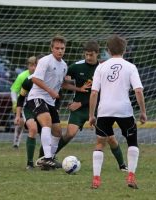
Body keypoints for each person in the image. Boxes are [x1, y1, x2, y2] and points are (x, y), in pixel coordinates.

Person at [38, 40, 127, 172]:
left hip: (98, 109)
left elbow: (102, 91)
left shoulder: (103, 67)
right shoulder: (76, 67)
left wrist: (81, 102)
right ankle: (46, 158)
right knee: (69, 134)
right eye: (86, 54)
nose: (88, 57)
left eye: (91, 55)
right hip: (78, 110)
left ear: (97, 54)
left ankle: (122, 165)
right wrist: (78, 89)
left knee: (110, 138)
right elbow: (64, 84)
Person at [89, 35, 147, 189]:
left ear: (107, 50)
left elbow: (94, 93)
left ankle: (96, 179)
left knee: (100, 143)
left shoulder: (100, 67)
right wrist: (142, 112)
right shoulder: (130, 67)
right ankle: (131, 177)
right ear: (125, 50)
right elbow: (139, 91)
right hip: (124, 110)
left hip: (104, 110)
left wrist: (91, 115)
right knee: (132, 142)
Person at [26, 35, 69, 170]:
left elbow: (63, 84)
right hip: (37, 96)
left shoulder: (64, 65)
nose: (60, 51)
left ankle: (50, 157)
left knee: (57, 132)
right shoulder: (45, 61)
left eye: (62, 48)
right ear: (52, 48)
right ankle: (48, 158)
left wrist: (78, 88)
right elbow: (35, 79)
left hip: (50, 101)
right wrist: (50, 91)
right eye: (57, 48)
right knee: (47, 122)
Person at [10, 56, 37, 148]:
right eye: (31, 65)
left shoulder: (41, 76)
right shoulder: (22, 76)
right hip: (23, 103)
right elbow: (14, 90)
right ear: (27, 66)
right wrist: (14, 102)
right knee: (20, 122)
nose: (33, 68)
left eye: (35, 65)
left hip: (35, 102)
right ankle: (16, 143)